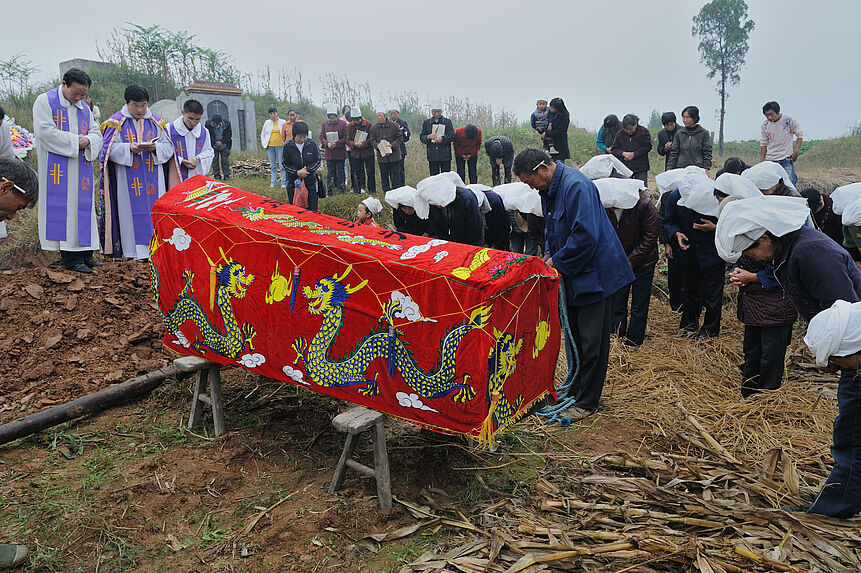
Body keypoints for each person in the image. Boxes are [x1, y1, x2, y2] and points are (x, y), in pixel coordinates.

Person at [716, 195, 861, 517]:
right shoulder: (791, 251)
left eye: (752, 250)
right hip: (849, 353)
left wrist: (832, 355)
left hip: (855, 354)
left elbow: (847, 316)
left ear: (766, 236)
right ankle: (844, 495)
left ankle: (834, 508)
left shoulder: (811, 253)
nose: (753, 258)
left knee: (851, 434)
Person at [514, 148, 633, 420]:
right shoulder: (549, 191)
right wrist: (547, 255)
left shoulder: (576, 186)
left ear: (542, 168)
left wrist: (556, 261)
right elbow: (553, 231)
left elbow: (585, 236)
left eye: (528, 180)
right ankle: (576, 390)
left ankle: (587, 402)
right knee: (576, 338)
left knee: (592, 341)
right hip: (576, 273)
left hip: (596, 275)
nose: (529, 187)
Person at [33, 68, 103, 273]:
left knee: (83, 209)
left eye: (83, 94)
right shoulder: (45, 101)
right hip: (58, 169)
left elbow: (95, 131)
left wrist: (89, 140)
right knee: (66, 210)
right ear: (64, 84)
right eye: (76, 93)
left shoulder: (83, 107)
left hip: (81, 167)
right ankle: (71, 259)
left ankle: (86, 255)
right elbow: (45, 132)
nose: (80, 98)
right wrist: (76, 142)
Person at [99, 84, 174, 260]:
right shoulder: (115, 123)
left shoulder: (156, 122)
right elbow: (106, 150)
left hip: (153, 177)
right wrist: (128, 149)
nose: (140, 110)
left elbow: (169, 148)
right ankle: (132, 252)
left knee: (155, 211)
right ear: (126, 103)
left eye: (144, 105)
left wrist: (155, 147)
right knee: (128, 214)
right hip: (127, 179)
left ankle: (156, 250)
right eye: (135, 105)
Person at [662, 168, 723, 340]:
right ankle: (689, 325)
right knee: (689, 290)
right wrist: (676, 233)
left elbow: (730, 221)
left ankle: (710, 330)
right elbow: (669, 220)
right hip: (689, 252)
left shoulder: (714, 195)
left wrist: (714, 228)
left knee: (713, 294)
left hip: (712, 253)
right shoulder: (676, 195)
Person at [600, 181, 659, 346]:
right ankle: (616, 336)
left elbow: (650, 237)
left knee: (639, 303)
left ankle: (634, 341)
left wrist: (631, 261)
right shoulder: (605, 207)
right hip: (619, 260)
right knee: (618, 301)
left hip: (644, 261)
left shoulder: (644, 204)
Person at [421, 174, 484, 246]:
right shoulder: (432, 203)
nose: (438, 206)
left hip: (469, 240)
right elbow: (438, 228)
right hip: (450, 241)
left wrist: (472, 248)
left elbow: (476, 227)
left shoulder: (466, 198)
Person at [167, 99, 213, 184]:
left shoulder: (204, 132)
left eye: (197, 119)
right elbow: (164, 151)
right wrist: (180, 160)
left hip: (195, 174)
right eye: (190, 118)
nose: (193, 123)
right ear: (183, 112)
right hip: (175, 175)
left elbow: (209, 151)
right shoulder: (169, 129)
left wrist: (199, 158)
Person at [760, 101, 803, 186]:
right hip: (770, 159)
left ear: (777, 112)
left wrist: (796, 152)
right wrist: (761, 162)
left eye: (771, 114)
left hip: (785, 158)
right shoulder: (765, 125)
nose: (769, 117)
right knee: (771, 184)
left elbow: (800, 135)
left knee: (789, 183)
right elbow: (763, 144)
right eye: (766, 115)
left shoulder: (788, 120)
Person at [282, 121, 321, 212]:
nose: (303, 139)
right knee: (295, 209)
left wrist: (307, 170)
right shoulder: (288, 146)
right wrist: (297, 173)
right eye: (300, 137)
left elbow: (317, 160)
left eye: (305, 137)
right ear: (294, 135)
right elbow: (285, 164)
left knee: (312, 209)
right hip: (293, 182)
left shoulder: (312, 144)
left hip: (309, 181)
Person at [667, 106, 712, 171]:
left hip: (698, 168)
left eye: (687, 117)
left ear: (694, 118)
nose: (684, 120)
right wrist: (669, 167)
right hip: (681, 168)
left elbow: (707, 153)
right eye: (683, 117)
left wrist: (706, 168)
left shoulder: (704, 133)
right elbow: (674, 153)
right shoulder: (679, 133)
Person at [611, 114, 652, 184]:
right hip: (624, 168)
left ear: (635, 125)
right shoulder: (619, 134)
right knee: (626, 188)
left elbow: (647, 146)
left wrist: (634, 154)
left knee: (641, 188)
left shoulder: (643, 132)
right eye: (626, 129)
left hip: (640, 167)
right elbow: (614, 149)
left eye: (630, 129)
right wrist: (623, 154)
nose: (628, 131)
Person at [369, 111, 403, 192]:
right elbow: (372, 140)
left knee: (395, 178)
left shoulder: (394, 126)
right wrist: (378, 146)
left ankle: (396, 195)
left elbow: (400, 138)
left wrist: (393, 145)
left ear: (385, 116)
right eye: (377, 116)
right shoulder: (374, 128)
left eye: (380, 116)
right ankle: (386, 194)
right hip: (382, 157)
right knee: (384, 178)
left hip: (394, 157)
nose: (379, 118)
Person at [420, 102, 455, 175]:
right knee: (434, 177)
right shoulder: (427, 123)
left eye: (438, 112)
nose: (436, 114)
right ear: (432, 112)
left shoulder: (447, 122)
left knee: (446, 176)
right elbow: (422, 137)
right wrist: (428, 137)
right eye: (434, 112)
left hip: (445, 155)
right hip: (432, 155)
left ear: (441, 112)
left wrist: (442, 138)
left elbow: (452, 136)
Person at [320, 104, 348, 194]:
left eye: (334, 117)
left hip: (340, 152)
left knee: (340, 171)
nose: (332, 120)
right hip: (329, 153)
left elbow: (345, 137)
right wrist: (327, 144)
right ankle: (330, 190)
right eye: (330, 118)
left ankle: (341, 189)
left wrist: (337, 144)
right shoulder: (324, 124)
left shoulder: (343, 124)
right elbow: (322, 136)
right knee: (330, 172)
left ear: (337, 116)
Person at [346, 109, 375, 194]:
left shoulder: (368, 124)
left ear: (361, 118)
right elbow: (347, 140)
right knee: (357, 172)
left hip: (367, 152)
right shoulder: (350, 126)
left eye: (358, 120)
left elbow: (372, 138)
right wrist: (353, 144)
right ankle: (357, 190)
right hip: (355, 153)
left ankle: (371, 190)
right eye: (354, 120)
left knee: (370, 171)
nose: (356, 122)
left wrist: (363, 144)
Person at [261, 107, 287, 188]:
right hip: (270, 146)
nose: (273, 115)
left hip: (280, 145)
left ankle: (283, 182)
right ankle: (273, 182)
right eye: (271, 114)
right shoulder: (267, 122)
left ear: (277, 113)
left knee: (281, 165)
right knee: (273, 165)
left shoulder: (283, 122)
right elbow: (263, 134)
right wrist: (264, 143)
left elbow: (286, 133)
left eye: (274, 113)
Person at [204, 113, 231, 180]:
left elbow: (228, 135)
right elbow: (208, 135)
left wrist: (221, 142)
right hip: (213, 145)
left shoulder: (227, 123)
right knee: (215, 160)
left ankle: (226, 175)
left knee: (225, 160)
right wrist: (215, 142)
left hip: (224, 144)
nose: (217, 124)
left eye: (218, 123)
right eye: (216, 123)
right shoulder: (208, 124)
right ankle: (217, 175)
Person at [389, 105, 410, 187]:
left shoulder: (402, 123)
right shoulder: (387, 123)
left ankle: (402, 186)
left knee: (400, 170)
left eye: (394, 113)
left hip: (400, 150)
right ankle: (394, 187)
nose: (393, 115)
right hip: (390, 150)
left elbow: (406, 136)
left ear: (397, 113)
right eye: (391, 113)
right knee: (392, 170)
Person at [544, 98, 570, 164]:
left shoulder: (564, 116)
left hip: (560, 147)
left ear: (558, 108)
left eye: (552, 107)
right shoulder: (550, 114)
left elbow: (561, 132)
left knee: (558, 168)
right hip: (549, 147)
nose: (550, 108)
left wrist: (546, 134)